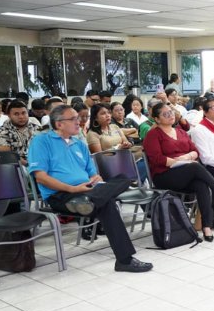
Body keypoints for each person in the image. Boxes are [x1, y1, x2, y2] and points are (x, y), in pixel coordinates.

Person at [27, 104, 153, 273]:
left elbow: (94, 175)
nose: (78, 122)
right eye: (73, 119)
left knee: (124, 178)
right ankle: (125, 260)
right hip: (60, 195)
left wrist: (94, 180)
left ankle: (90, 201)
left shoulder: (79, 144)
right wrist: (72, 189)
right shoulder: (41, 141)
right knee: (107, 203)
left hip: (88, 191)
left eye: (78, 118)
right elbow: (40, 177)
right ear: (58, 124)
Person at [143, 102, 214, 242]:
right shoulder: (153, 135)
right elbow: (157, 159)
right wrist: (178, 162)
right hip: (164, 175)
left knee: (201, 184)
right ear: (157, 119)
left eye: (171, 112)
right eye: (165, 114)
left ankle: (206, 227)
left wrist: (186, 158)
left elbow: (195, 151)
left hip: (185, 171)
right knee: (195, 167)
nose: (170, 115)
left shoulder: (180, 132)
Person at [87, 103, 148, 184]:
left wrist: (127, 144)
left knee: (147, 156)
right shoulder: (93, 133)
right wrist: (117, 149)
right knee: (144, 164)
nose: (107, 115)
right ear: (95, 117)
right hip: (109, 165)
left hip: (124, 159)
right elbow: (98, 157)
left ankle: (134, 182)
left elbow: (126, 142)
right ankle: (131, 182)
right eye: (103, 113)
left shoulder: (114, 127)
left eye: (108, 113)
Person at [0, 99, 40, 165]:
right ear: (9, 116)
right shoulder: (2, 132)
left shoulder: (37, 128)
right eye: (16, 114)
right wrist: (31, 165)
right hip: (17, 166)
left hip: (40, 163)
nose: (21, 117)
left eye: (23, 113)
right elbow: (8, 156)